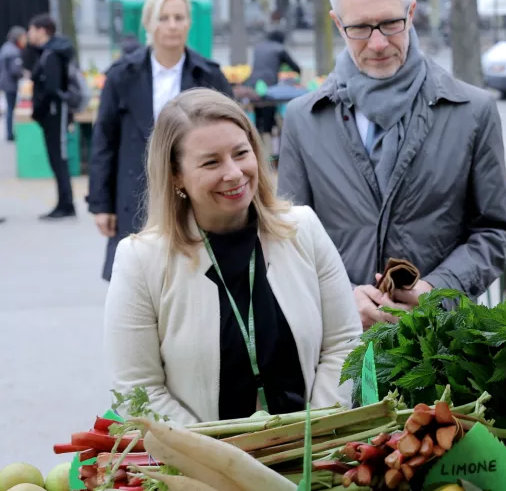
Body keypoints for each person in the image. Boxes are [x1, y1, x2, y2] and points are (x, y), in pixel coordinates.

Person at [279, 0, 506, 329]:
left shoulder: (473, 111)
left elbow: (494, 231)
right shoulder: (303, 119)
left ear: (411, 12)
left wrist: (436, 292)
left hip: (440, 344)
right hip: (342, 345)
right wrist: (340, 298)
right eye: (359, 28)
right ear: (338, 24)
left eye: (391, 23)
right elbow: (289, 241)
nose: (378, 44)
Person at [103, 88, 363, 424]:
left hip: (313, 449)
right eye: (211, 162)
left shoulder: (304, 229)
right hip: (200, 454)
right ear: (176, 174)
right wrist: (216, 450)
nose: (234, 173)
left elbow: (345, 345)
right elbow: (137, 389)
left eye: (241, 153)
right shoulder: (140, 260)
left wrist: (312, 434)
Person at [89, 0, 233, 282]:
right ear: (148, 24)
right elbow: (104, 141)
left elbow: (231, 137)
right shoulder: (121, 76)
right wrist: (101, 205)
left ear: (188, 23)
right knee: (137, 278)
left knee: (194, 277)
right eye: (163, 18)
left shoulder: (209, 75)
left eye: (179, 18)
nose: (172, 25)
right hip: (134, 190)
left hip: (196, 191)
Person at [27, 14, 77, 220]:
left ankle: (66, 204)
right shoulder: (48, 53)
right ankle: (63, 202)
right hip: (52, 114)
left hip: (55, 115)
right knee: (56, 159)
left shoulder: (52, 55)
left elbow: (51, 89)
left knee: (59, 159)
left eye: (31, 30)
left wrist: (38, 110)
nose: (29, 34)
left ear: (42, 31)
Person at [246, 29, 302, 163]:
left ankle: (258, 153)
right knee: (269, 121)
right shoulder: (279, 49)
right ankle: (272, 155)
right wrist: (298, 77)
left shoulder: (258, 47)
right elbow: (296, 67)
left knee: (259, 120)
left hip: (254, 86)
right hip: (269, 88)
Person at [1, 26, 26, 142]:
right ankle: (10, 133)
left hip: (5, 82)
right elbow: (15, 70)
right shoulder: (13, 51)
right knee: (11, 108)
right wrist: (23, 73)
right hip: (11, 83)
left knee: (9, 107)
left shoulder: (6, 47)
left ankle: (9, 132)